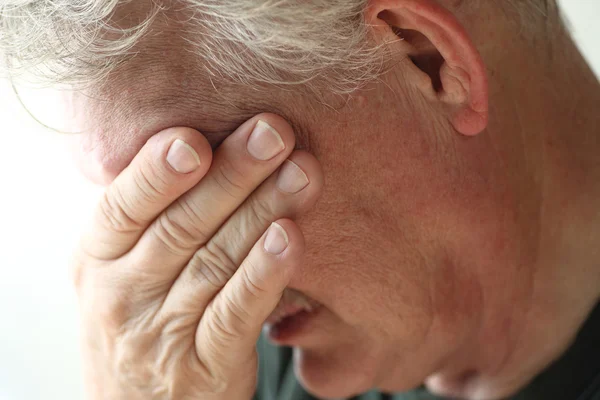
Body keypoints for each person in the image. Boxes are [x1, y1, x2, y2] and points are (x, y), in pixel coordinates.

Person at [1, 0, 599, 399]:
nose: (178, 269)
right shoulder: (202, 372)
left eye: (207, 179)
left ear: (427, 59)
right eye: (146, 204)